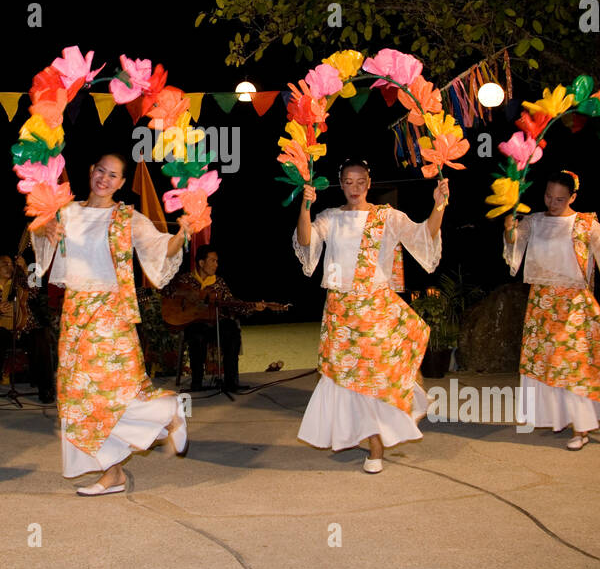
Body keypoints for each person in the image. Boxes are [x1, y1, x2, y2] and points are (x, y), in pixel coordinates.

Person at [34, 153, 191, 495]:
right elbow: (38, 242)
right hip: (76, 312)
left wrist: (184, 231)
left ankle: (167, 411)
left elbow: (159, 249)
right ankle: (113, 472)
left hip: (109, 312)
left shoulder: (126, 217)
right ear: (90, 171)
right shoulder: (66, 211)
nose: (104, 178)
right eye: (100, 170)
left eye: (113, 175)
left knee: (113, 390)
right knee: (78, 395)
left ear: (121, 183)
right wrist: (42, 227)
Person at [294, 159, 447, 474]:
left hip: (375, 310)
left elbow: (423, 235)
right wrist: (305, 207)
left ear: (369, 182)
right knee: (343, 382)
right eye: (348, 181)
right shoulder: (330, 217)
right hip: (339, 312)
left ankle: (376, 445)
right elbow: (306, 240)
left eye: (360, 181)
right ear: (340, 182)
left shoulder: (386, 217)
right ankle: (354, 434)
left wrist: (439, 206)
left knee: (373, 380)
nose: (354, 188)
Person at [502, 170, 600, 450]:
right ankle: (568, 414)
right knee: (548, 365)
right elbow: (514, 242)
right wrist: (509, 231)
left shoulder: (585, 223)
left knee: (571, 365)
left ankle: (582, 428)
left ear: (573, 197)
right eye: (548, 197)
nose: (552, 203)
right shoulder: (535, 221)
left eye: (560, 199)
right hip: (541, 303)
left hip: (573, 303)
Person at [164, 246, 281, 393]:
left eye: (217, 261)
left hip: (216, 324)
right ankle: (197, 382)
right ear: (201, 263)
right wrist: (188, 294)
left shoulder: (219, 283)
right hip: (195, 325)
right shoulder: (186, 279)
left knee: (232, 330)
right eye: (212, 261)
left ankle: (231, 382)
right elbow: (167, 290)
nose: (216, 265)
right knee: (196, 335)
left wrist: (253, 307)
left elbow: (232, 303)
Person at [0, 252, 55, 404]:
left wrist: (26, 269)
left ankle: (46, 389)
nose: (9, 267)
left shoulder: (19, 284)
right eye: (5, 264)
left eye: (11, 264)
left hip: (25, 330)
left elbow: (35, 290)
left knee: (40, 335)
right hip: (3, 332)